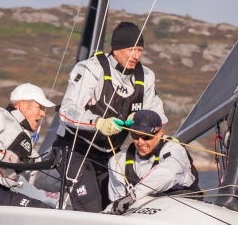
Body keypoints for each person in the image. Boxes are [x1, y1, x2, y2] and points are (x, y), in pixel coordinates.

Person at [54, 21, 167, 213]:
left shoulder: (146, 76)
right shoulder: (90, 69)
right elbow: (67, 111)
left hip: (110, 155)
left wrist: (141, 117)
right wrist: (98, 123)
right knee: (91, 206)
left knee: (113, 208)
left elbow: (159, 118)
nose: (137, 56)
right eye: (132, 50)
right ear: (117, 49)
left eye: (140, 50)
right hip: (75, 149)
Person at [107, 110, 200, 215]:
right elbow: (118, 201)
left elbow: (169, 173)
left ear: (160, 133)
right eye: (135, 136)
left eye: (146, 137)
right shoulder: (117, 161)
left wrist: (134, 195)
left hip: (183, 210)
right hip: (143, 215)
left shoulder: (174, 149)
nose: (140, 142)